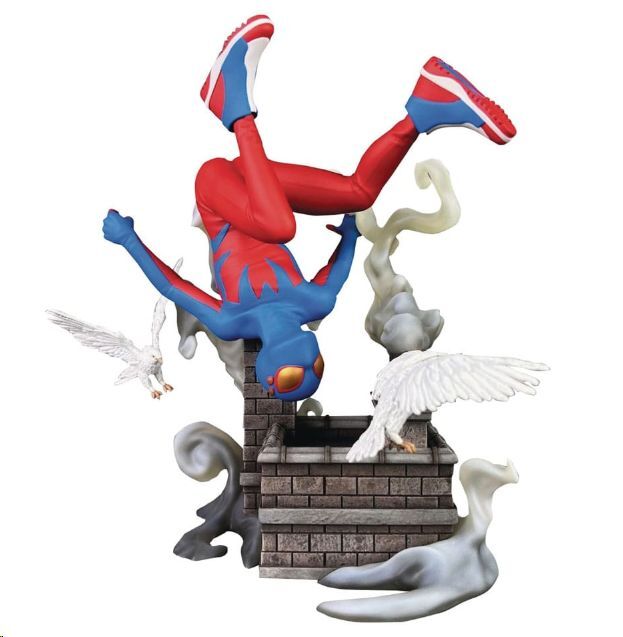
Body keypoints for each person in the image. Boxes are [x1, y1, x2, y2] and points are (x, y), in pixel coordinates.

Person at [103, 14, 515, 401]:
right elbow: (340, 264)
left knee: (280, 228)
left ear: (268, 371)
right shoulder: (316, 302)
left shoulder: (231, 320)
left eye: (291, 378)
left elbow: (172, 286)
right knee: (358, 194)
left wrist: (128, 240)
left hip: (217, 193)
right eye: (317, 369)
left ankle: (233, 105)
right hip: (261, 192)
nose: (306, 368)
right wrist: (350, 233)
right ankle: (427, 104)